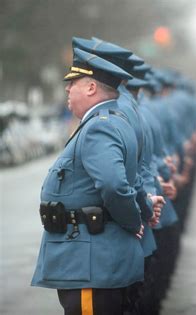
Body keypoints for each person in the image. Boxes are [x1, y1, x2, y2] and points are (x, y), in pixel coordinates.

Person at [31, 47, 162, 314]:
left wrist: (133, 220)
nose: (67, 89)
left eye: (73, 83)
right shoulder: (111, 120)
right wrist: (142, 206)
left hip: (90, 261)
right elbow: (129, 179)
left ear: (91, 88)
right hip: (91, 259)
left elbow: (114, 185)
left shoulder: (100, 126)